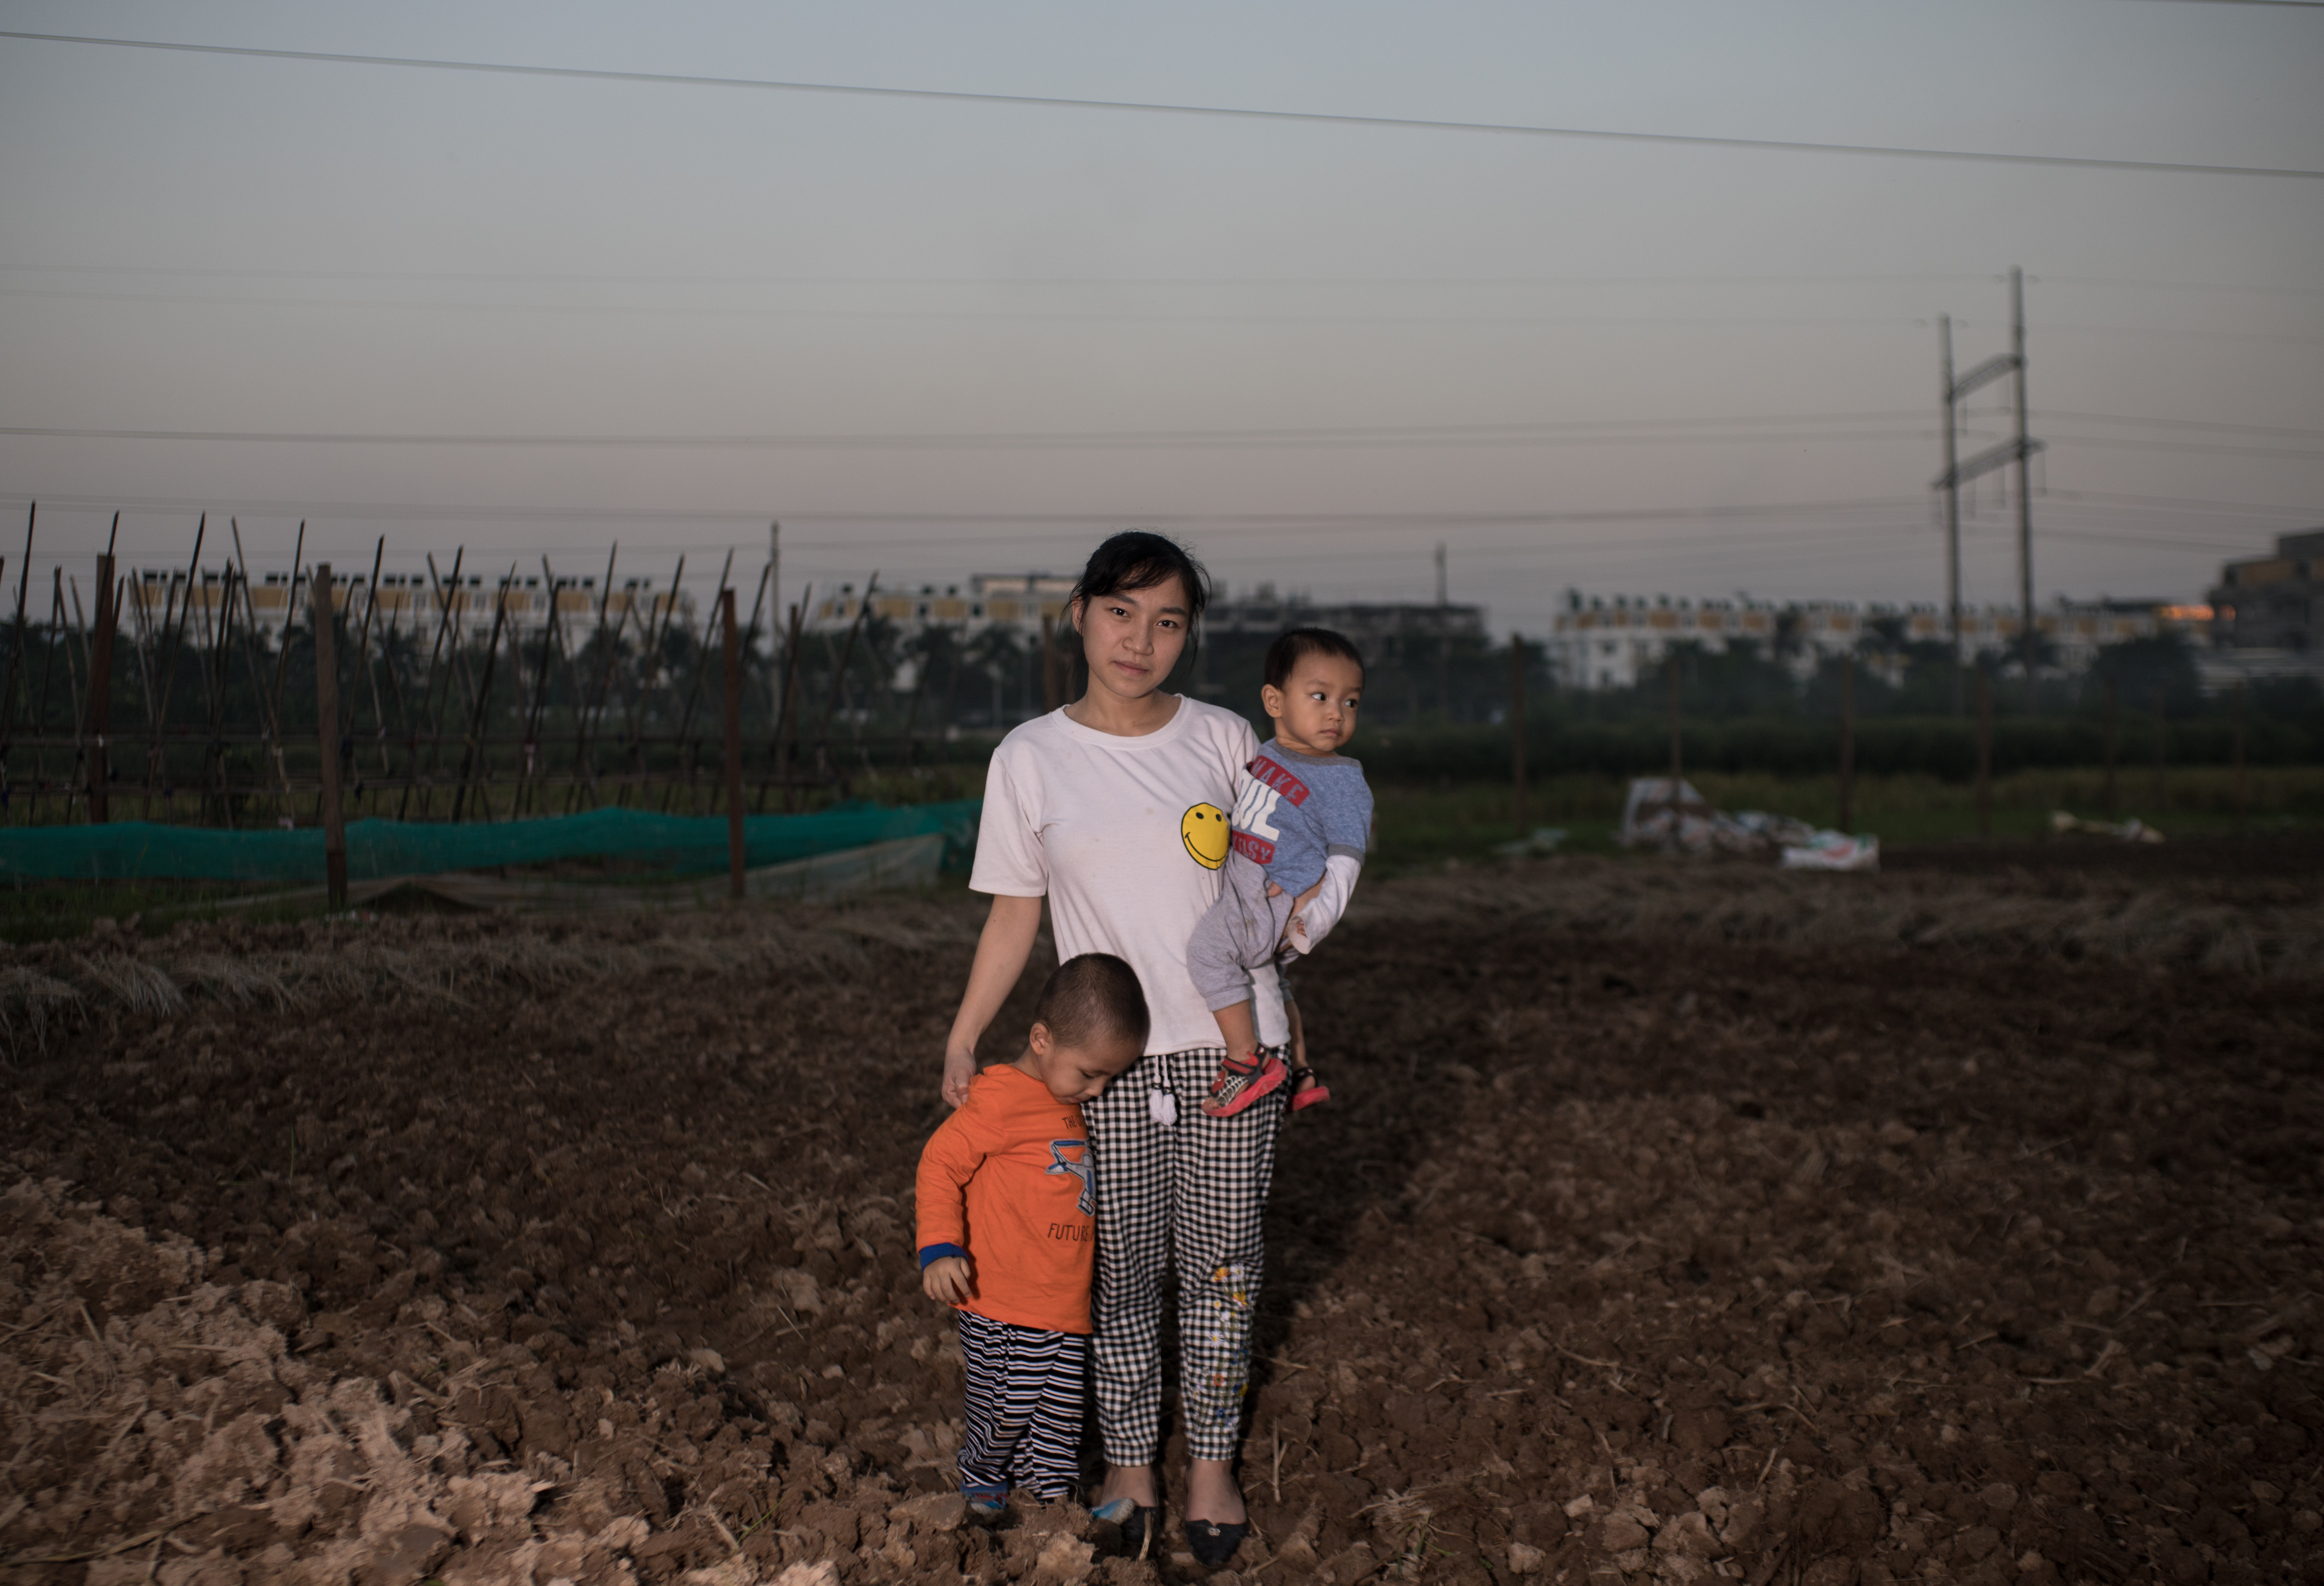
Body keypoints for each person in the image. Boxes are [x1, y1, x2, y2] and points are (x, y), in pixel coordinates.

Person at [943, 530, 1295, 1568]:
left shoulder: (1229, 742)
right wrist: (966, 1035)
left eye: (1168, 620)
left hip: (1235, 1055)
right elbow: (1016, 915)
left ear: (1189, 634)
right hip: (1110, 1064)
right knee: (1122, 1270)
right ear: (1080, 614)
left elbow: (1274, 896)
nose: (1140, 640)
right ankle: (1133, 1462)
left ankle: (1213, 1465)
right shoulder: (1029, 756)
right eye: (1120, 613)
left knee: (1223, 1272)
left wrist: (1290, 1030)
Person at [915, 953, 1149, 1522]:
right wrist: (940, 1247)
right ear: (1040, 1039)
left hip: (1061, 1302)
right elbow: (939, 1162)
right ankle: (982, 1489)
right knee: (1004, 1408)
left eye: (1109, 1079)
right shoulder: (999, 1096)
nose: (1097, 1091)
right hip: (1000, 1297)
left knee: (1059, 1418)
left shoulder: (1064, 1099)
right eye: (1089, 1074)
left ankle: (1055, 1513)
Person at [1186, 627, 1371, 1117]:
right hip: (1256, 885)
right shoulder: (1268, 753)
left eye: (1350, 702)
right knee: (1275, 982)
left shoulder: (1341, 780)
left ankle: (1246, 1062)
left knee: (1208, 954)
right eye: (1320, 696)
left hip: (1271, 895)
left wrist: (1314, 917)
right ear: (1274, 700)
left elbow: (1347, 860)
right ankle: (1300, 1071)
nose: (1336, 712)